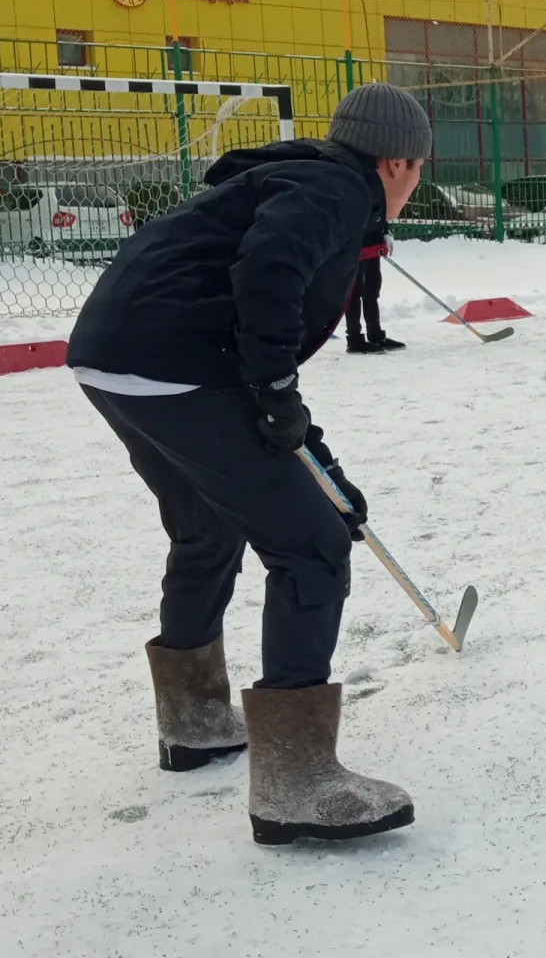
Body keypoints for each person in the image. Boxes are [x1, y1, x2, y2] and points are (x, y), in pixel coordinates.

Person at [65, 81, 433, 845]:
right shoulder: (337, 186)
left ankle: (194, 723)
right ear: (399, 162)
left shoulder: (296, 177)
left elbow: (263, 375)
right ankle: (297, 782)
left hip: (114, 356)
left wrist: (320, 463)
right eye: (420, 169)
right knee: (312, 548)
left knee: (206, 525)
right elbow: (267, 276)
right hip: (176, 362)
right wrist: (272, 391)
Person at [345, 228, 405, 353]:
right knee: (354, 291)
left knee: (372, 289)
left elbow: (379, 211)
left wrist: (385, 231)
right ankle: (354, 339)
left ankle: (375, 335)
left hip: (373, 241)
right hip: (355, 242)